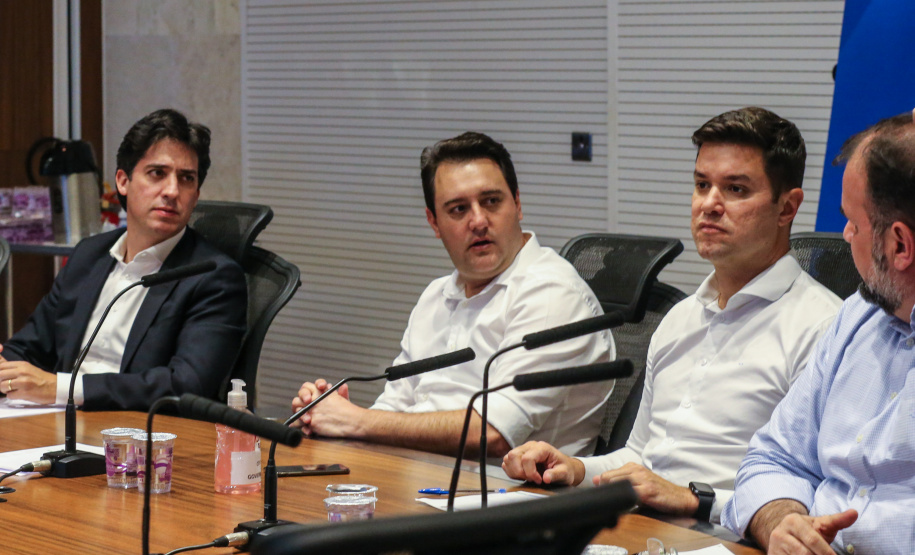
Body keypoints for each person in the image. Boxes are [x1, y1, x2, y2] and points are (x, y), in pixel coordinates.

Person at [501, 107, 843, 524]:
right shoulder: (681, 317)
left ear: (787, 208)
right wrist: (574, 469)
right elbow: (641, 456)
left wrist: (694, 499)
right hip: (639, 527)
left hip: (730, 538)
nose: (709, 205)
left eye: (735, 189)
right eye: (702, 185)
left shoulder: (823, 328)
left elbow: (817, 491)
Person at [292, 131, 613, 458]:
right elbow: (394, 406)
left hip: (510, 498)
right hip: (419, 483)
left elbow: (494, 432)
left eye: (491, 201)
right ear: (434, 222)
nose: (478, 221)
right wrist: (332, 418)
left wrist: (357, 422)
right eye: (458, 209)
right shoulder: (436, 296)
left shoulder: (551, 293)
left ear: (517, 204)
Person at [722, 111, 915, 553]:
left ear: (900, 245)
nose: (845, 236)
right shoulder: (856, 318)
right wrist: (783, 522)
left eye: (854, 222)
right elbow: (771, 459)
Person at [0, 108, 247, 411]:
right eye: (157, 173)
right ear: (123, 181)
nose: (171, 191)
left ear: (195, 196)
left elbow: (187, 384)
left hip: (137, 440)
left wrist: (59, 388)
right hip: (55, 424)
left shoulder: (214, 277)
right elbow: (29, 347)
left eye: (186, 179)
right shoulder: (88, 256)